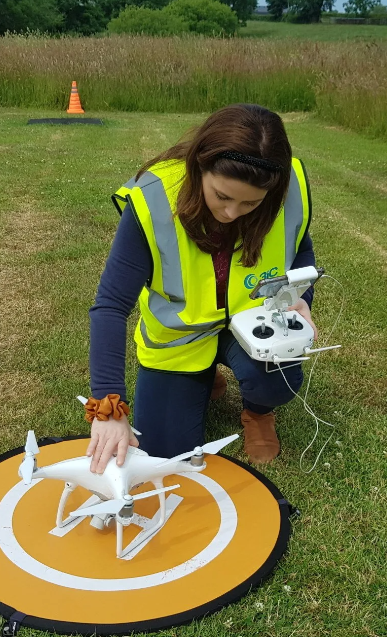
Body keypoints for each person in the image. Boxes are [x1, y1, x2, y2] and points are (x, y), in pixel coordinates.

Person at [85, 104, 316, 473]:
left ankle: (258, 411)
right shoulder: (154, 199)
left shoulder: (286, 188)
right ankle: (204, 377)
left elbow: (300, 249)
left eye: (251, 203)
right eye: (222, 196)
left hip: (251, 326)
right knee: (163, 456)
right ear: (199, 166)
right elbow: (111, 306)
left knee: (279, 377)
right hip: (181, 341)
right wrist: (108, 408)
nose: (232, 213)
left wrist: (300, 299)